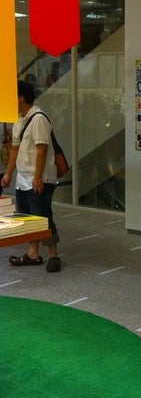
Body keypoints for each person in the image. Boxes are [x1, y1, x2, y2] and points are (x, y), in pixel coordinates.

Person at [1, 80, 62, 273]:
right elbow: (15, 150)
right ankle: (33, 253)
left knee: (43, 217)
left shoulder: (39, 118)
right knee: (28, 217)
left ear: (21, 98)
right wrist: (9, 173)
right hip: (23, 178)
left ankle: (54, 255)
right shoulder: (20, 120)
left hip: (40, 178)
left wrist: (37, 177)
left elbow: (42, 149)